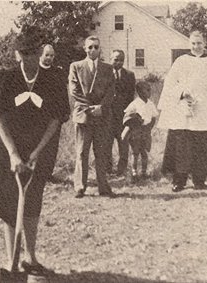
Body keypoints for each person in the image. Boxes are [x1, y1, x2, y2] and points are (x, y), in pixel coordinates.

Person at [0, 26, 68, 274]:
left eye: (34, 52)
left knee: (32, 202)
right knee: (10, 202)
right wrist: (13, 154)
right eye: (25, 53)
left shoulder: (53, 79)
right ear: (18, 53)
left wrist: (37, 153)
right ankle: (12, 262)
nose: (29, 58)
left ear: (40, 52)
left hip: (40, 147)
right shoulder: (7, 78)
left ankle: (31, 258)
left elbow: (56, 118)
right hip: (9, 149)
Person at [157, 30, 207, 192]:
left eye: (199, 43)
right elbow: (170, 84)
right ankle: (179, 180)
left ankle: (199, 179)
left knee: (201, 144)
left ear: (205, 43)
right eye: (193, 43)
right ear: (189, 44)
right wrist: (182, 92)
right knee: (183, 145)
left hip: (204, 109)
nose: (196, 47)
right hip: (185, 108)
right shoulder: (181, 61)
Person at [69, 35, 116, 198]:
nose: (93, 50)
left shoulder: (108, 68)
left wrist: (101, 107)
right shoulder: (76, 66)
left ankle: (103, 186)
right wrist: (90, 108)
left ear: (100, 48)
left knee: (101, 152)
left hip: (102, 116)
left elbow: (111, 91)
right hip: (84, 115)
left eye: (96, 47)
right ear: (85, 49)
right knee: (82, 152)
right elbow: (74, 90)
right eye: (90, 47)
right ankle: (80, 186)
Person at [39, 44, 70, 175]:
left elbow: (63, 93)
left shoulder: (58, 72)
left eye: (52, 56)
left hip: (55, 116)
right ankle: (36, 173)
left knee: (52, 146)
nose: (49, 58)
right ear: (40, 55)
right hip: (38, 116)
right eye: (47, 55)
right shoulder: (34, 72)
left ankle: (48, 173)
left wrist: (66, 111)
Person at [106, 50, 136, 176]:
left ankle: (121, 170)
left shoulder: (129, 75)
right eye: (116, 59)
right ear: (110, 58)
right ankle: (107, 170)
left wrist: (127, 116)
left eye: (121, 60)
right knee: (106, 144)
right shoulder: (104, 73)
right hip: (107, 116)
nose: (118, 62)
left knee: (123, 144)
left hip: (123, 117)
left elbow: (130, 97)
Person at [121, 81, 159, 180]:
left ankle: (144, 172)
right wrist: (135, 120)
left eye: (150, 90)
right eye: (147, 90)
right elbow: (127, 116)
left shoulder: (150, 104)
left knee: (144, 151)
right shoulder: (135, 104)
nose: (150, 92)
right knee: (135, 151)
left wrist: (149, 127)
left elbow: (154, 117)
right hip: (136, 131)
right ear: (140, 92)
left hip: (146, 131)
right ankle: (134, 172)